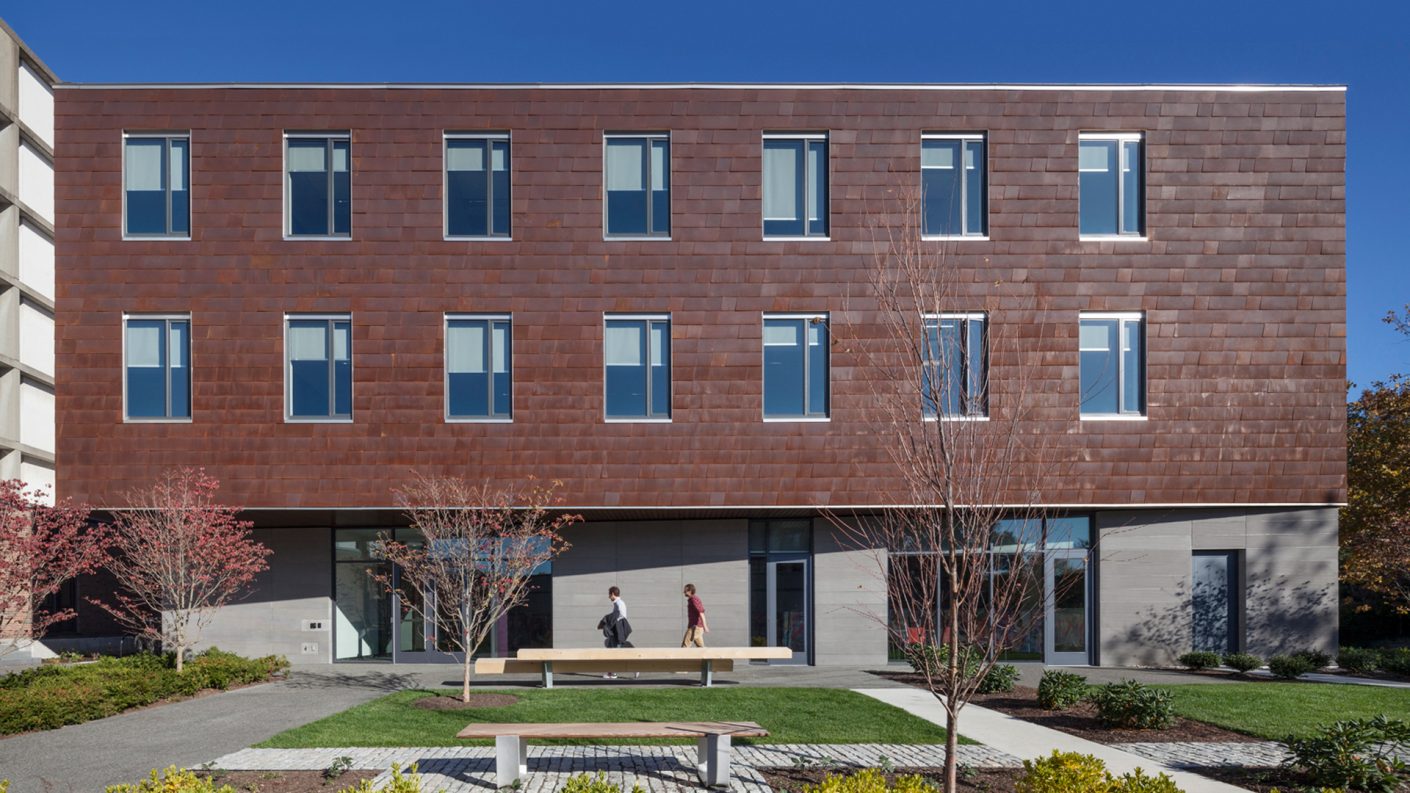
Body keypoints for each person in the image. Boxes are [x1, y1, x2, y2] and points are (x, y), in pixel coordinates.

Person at [597, 586, 633, 679]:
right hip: (616, 632)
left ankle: (614, 673)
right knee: (613, 651)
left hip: (618, 632)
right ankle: (612, 672)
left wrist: (607, 620)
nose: (609, 597)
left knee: (616, 652)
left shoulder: (619, 603)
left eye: (609, 594)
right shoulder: (618, 603)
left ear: (613, 593)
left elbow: (620, 616)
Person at [681, 583, 708, 647]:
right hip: (698, 628)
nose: (684, 592)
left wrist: (705, 626)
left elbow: (701, 612)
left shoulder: (693, 599)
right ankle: (711, 657)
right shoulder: (694, 599)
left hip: (695, 627)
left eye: (685, 590)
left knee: (685, 646)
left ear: (690, 591)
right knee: (701, 649)